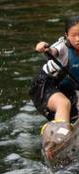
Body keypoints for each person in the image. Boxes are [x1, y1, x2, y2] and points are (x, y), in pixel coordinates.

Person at [30, 16, 79, 160]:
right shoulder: (62, 47)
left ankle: (67, 135)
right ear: (66, 36)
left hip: (69, 88)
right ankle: (56, 141)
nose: (78, 39)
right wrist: (44, 47)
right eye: (74, 35)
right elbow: (52, 51)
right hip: (45, 85)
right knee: (64, 104)